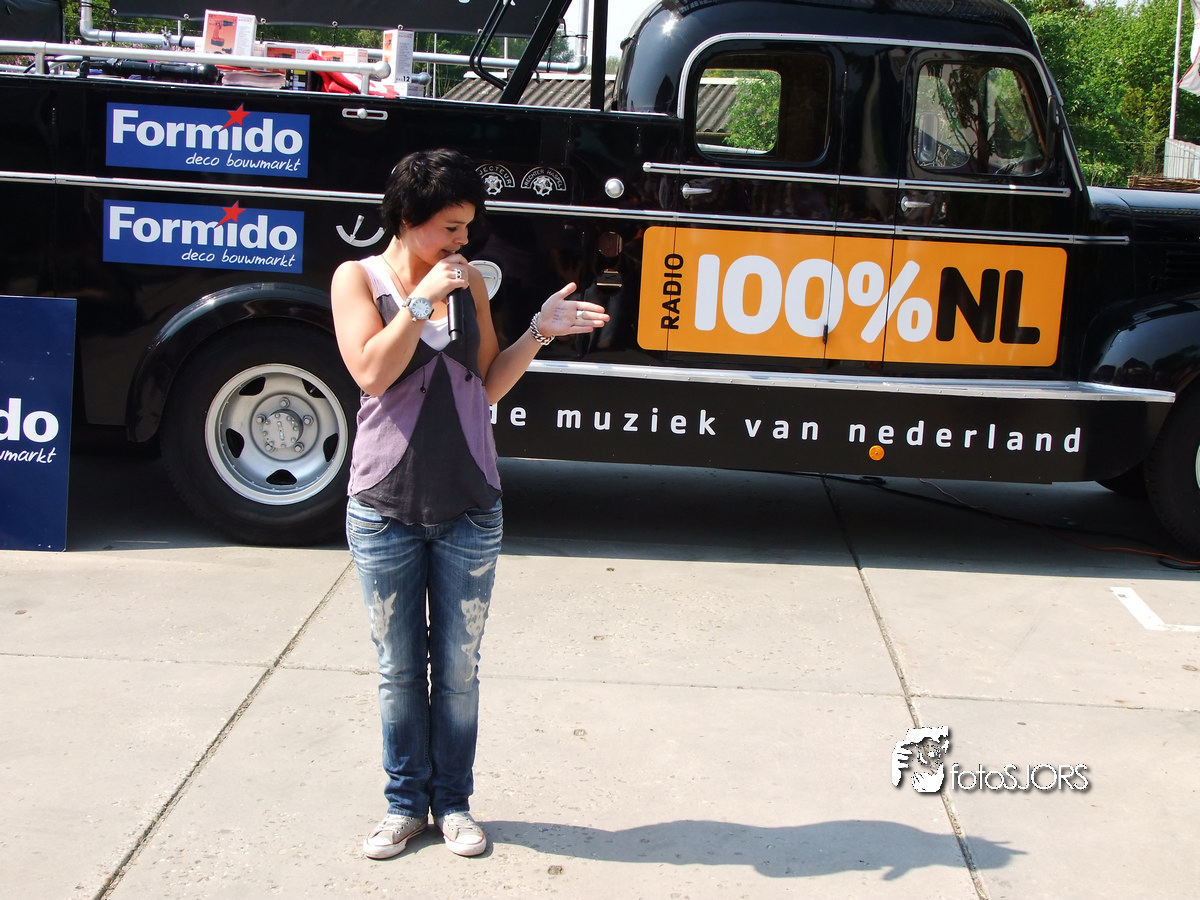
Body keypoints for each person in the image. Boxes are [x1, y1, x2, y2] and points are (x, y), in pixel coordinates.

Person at [331, 148, 608, 860]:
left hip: (470, 505)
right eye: (450, 228)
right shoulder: (358, 279)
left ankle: (452, 803)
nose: (462, 241)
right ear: (407, 217)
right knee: (398, 671)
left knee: (457, 672)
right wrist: (421, 301)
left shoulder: (470, 285)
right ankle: (403, 806)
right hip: (384, 505)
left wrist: (539, 331)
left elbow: (485, 384)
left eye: (466, 228)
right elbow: (371, 373)